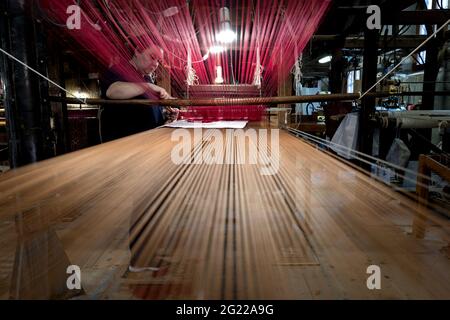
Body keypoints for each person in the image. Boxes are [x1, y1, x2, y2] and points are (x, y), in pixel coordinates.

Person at [100, 46, 179, 142]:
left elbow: (149, 113)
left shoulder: (146, 78)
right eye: (153, 57)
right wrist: (148, 86)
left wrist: (167, 118)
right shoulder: (119, 69)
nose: (156, 64)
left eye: (158, 60)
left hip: (146, 142)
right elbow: (112, 91)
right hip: (122, 145)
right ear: (137, 51)